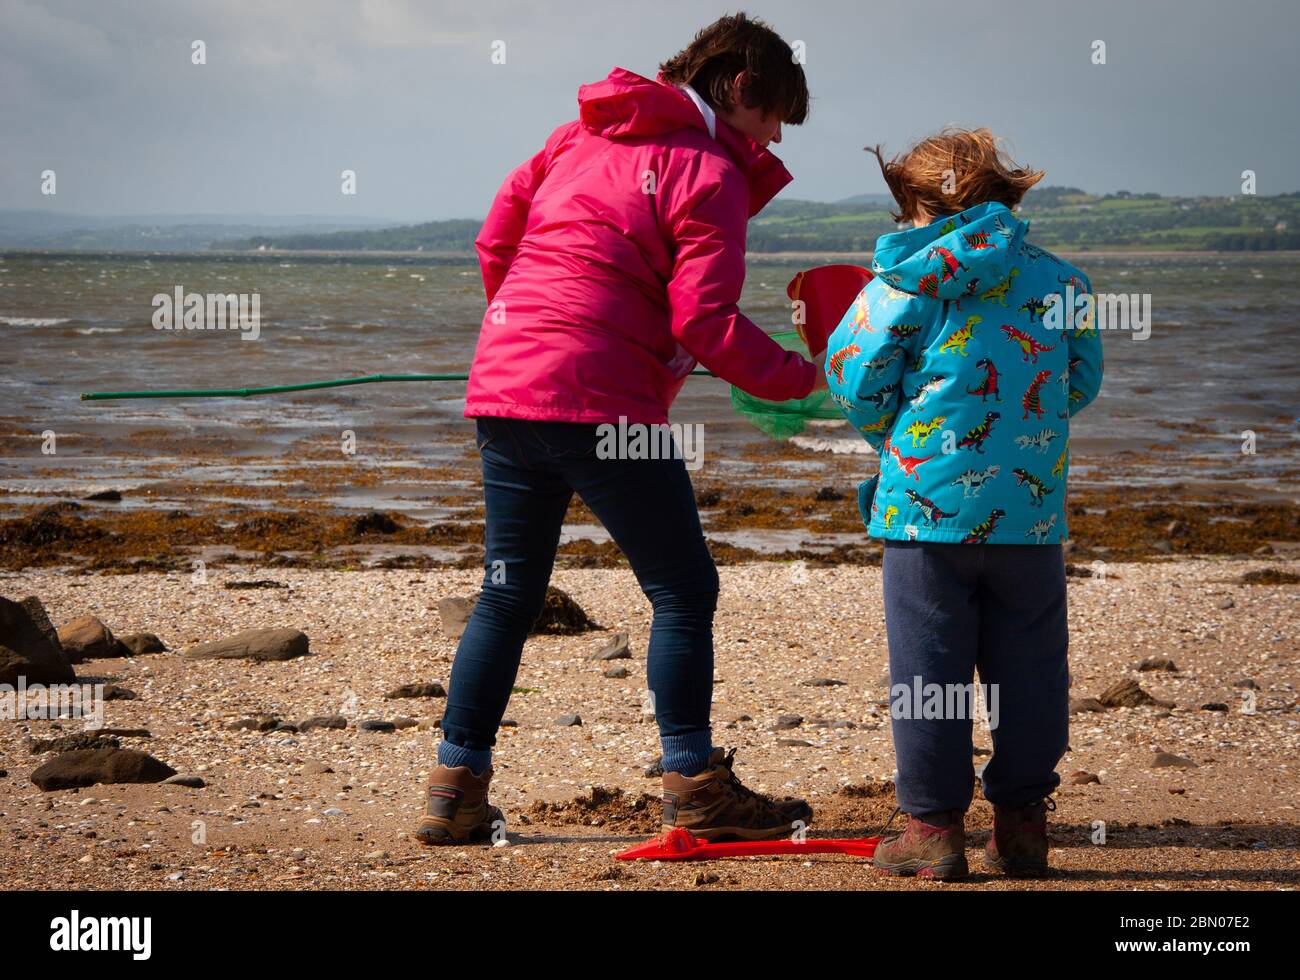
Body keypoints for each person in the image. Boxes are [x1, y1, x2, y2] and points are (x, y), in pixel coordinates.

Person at [415, 13, 823, 846]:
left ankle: (454, 789)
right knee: (683, 588)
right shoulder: (707, 170)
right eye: (778, 113)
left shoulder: (574, 138)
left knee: (506, 593)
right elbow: (704, 319)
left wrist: (527, 332)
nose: (779, 135)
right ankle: (694, 786)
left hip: (504, 388)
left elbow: (498, 238)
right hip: (599, 405)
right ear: (741, 88)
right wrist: (801, 379)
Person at [823, 128, 1104, 878]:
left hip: (924, 515)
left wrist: (894, 429)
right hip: (1029, 513)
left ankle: (932, 829)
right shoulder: (1061, 282)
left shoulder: (902, 283)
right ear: (1004, 197)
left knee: (928, 671)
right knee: (1032, 668)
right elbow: (1078, 385)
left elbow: (855, 378)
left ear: (918, 204)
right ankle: (1021, 824)